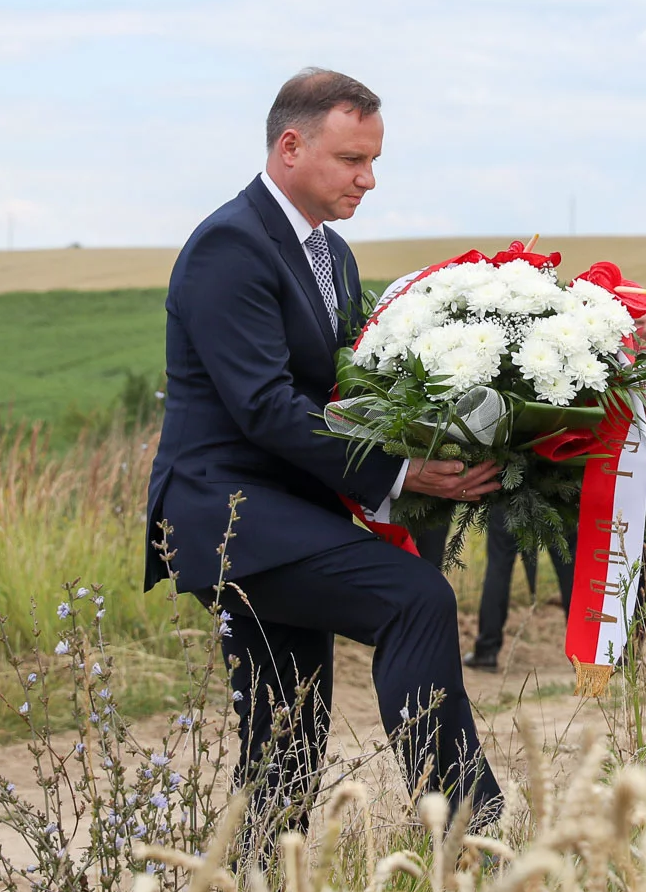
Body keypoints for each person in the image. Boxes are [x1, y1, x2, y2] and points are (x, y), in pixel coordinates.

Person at [143, 69, 504, 839]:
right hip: (228, 513)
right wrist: (400, 474)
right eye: (351, 160)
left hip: (292, 512)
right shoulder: (229, 246)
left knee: (288, 738)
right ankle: (469, 829)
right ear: (290, 146)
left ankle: (263, 869)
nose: (368, 179)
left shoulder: (332, 255)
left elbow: (349, 389)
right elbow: (266, 407)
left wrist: (452, 428)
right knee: (414, 599)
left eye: (374, 161)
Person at [463, 505, 576, 671]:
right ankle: (584, 652)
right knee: (569, 566)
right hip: (556, 490)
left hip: (508, 495)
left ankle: (486, 650)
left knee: (499, 565)